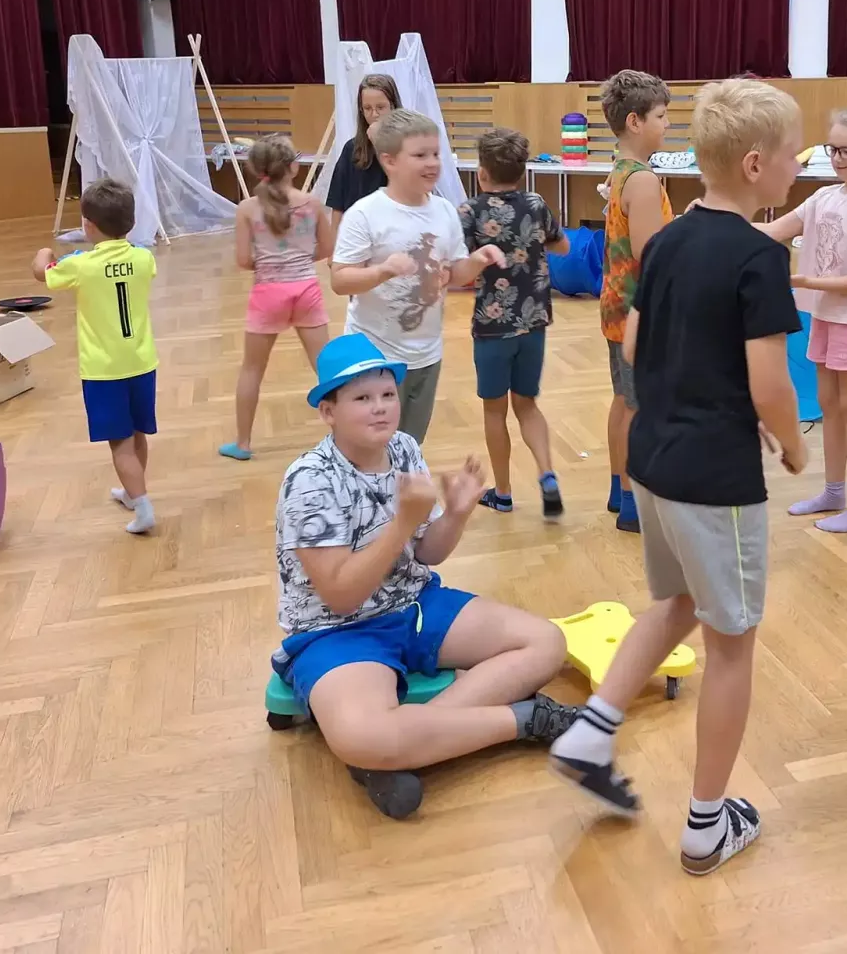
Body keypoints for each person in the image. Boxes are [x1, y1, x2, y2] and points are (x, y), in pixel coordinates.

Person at [549, 78, 807, 876]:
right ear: (757, 164)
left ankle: (590, 731)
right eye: (794, 154)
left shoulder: (666, 240)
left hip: (653, 463)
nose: (800, 166)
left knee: (679, 603)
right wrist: (794, 449)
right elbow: (771, 384)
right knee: (732, 646)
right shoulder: (760, 258)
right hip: (713, 479)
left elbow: (633, 347)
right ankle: (705, 825)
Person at [275, 333, 579, 818]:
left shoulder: (403, 449)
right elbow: (340, 597)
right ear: (328, 412)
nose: (381, 407)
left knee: (546, 642)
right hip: (336, 632)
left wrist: (455, 514)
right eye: (362, 398)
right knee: (362, 734)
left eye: (387, 394)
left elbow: (429, 553)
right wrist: (401, 523)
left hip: (414, 604)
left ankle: (406, 747)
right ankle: (524, 719)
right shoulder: (310, 481)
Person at [757, 109, 847, 532]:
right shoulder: (824, 197)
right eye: (832, 149)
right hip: (826, 315)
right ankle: (834, 491)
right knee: (830, 408)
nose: (837, 158)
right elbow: (772, 231)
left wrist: (806, 280)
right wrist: (715, 220)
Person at [329, 109, 505, 443]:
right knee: (374, 445)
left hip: (427, 354)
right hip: (376, 353)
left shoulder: (444, 211)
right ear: (389, 161)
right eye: (420, 155)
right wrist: (382, 271)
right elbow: (339, 280)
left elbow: (454, 274)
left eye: (436, 154)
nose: (432, 163)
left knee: (410, 444)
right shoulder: (365, 214)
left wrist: (477, 260)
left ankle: (405, 480)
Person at [31, 179, 159, 535]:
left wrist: (44, 253)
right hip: (142, 362)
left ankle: (143, 506)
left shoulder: (80, 265)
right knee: (137, 433)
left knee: (120, 442)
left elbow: (42, 273)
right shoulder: (144, 257)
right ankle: (133, 493)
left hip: (104, 370)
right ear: (131, 221)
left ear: (87, 225)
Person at [458, 127, 569, 516]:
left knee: (495, 411)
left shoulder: (470, 211)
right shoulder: (536, 204)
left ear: (482, 172)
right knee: (528, 405)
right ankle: (547, 473)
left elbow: (460, 267)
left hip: (492, 329)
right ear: (522, 172)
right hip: (534, 322)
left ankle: (503, 493)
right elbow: (563, 245)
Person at [219, 135, 334, 461]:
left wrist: (271, 263)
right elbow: (327, 248)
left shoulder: (247, 209)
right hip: (306, 290)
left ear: (258, 170)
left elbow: (243, 260)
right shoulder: (311, 204)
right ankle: (347, 435)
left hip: (267, 293)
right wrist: (299, 260)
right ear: (293, 166)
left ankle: (242, 443)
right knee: (327, 368)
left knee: (252, 369)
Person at [597, 69, 674, 532]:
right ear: (634, 121)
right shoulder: (643, 180)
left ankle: (618, 487)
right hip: (637, 314)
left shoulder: (621, 169)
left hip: (617, 308)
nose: (667, 125)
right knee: (638, 407)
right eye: (661, 116)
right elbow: (652, 252)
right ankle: (632, 502)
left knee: (624, 401)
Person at [324, 73, 401, 231]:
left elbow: (405, 187)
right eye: (367, 108)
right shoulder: (351, 149)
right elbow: (337, 205)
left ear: (393, 106)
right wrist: (335, 243)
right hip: (356, 233)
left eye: (380, 107)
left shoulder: (406, 146)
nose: (374, 114)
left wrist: (379, 143)